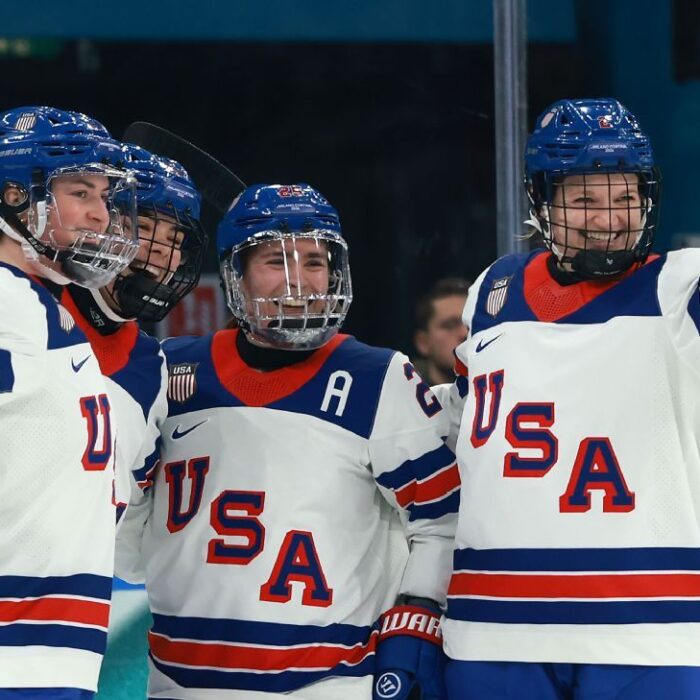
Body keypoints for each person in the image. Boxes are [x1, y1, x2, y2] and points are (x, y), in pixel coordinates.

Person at [116, 183, 460, 700]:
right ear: (235, 275)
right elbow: (127, 536)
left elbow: (440, 517)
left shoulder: (377, 378)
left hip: (331, 684)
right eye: (277, 261)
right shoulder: (169, 372)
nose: (299, 280)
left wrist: (419, 608)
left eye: (315, 262)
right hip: (180, 683)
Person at [441, 97, 700, 699]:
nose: (609, 218)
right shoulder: (493, 290)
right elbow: (463, 421)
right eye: (585, 200)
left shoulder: (678, 287)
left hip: (650, 630)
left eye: (626, 197)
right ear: (543, 202)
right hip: (493, 629)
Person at [0, 106, 140, 698]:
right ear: (14, 195)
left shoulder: (36, 305)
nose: (100, 214)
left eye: (104, 196)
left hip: (49, 655)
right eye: (80, 192)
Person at [58, 144, 208, 519]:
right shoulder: (27, 307)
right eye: (141, 227)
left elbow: (126, 523)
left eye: (175, 240)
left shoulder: (151, 366)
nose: (160, 251)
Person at [413, 277, 470, 386]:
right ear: (423, 342)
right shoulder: (400, 394)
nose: (465, 333)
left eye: (471, 324)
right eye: (450, 325)